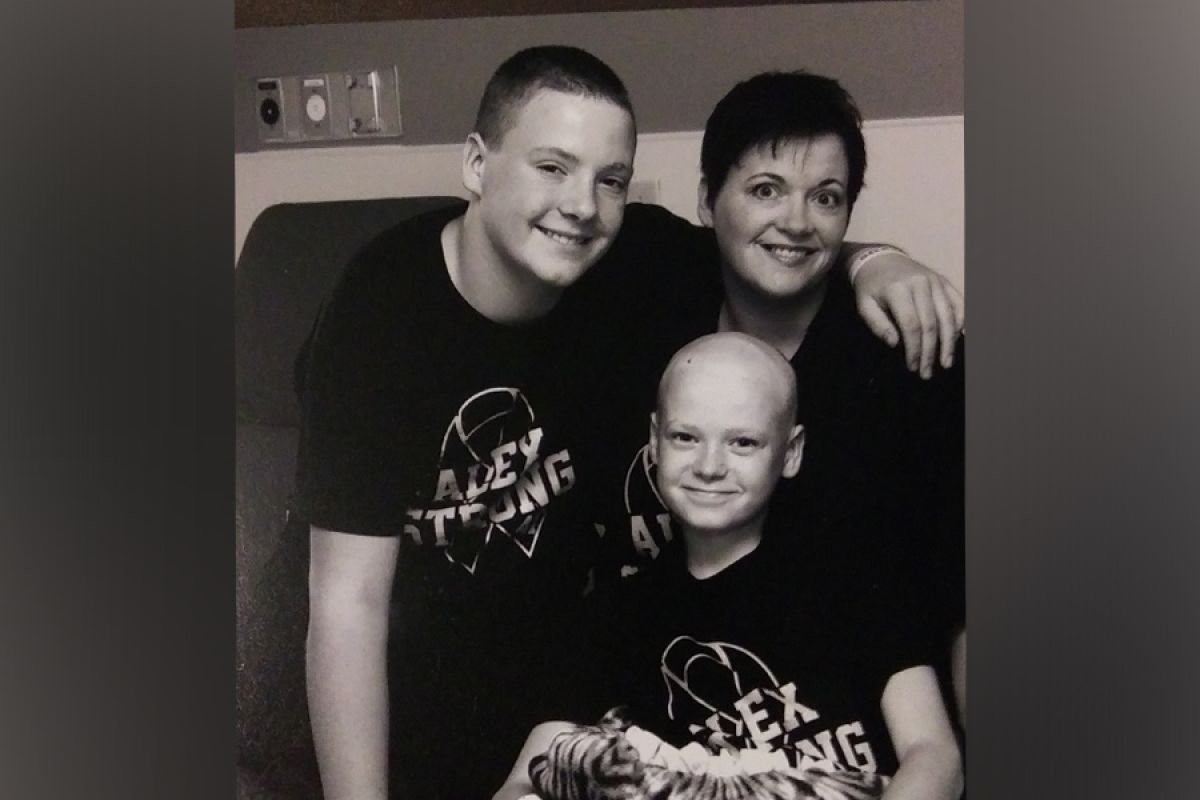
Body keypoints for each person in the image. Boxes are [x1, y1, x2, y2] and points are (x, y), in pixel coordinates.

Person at [295, 47, 962, 800]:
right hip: (406, 716)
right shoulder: (379, 314)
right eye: (552, 167)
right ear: (477, 165)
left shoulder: (625, 257)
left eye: (609, 179)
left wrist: (877, 259)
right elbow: (346, 607)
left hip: (565, 694)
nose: (580, 205)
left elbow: (780, 239)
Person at [590, 70, 965, 741]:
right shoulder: (653, 276)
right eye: (765, 190)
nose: (796, 221)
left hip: (866, 749)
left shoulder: (909, 362)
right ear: (707, 202)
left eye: (827, 198)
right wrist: (869, 256)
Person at [494, 333, 963, 800]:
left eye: (742, 442)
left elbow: (935, 756)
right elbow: (524, 780)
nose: (709, 466)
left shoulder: (859, 580)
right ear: (654, 442)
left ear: (791, 452)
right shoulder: (618, 613)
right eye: (685, 437)